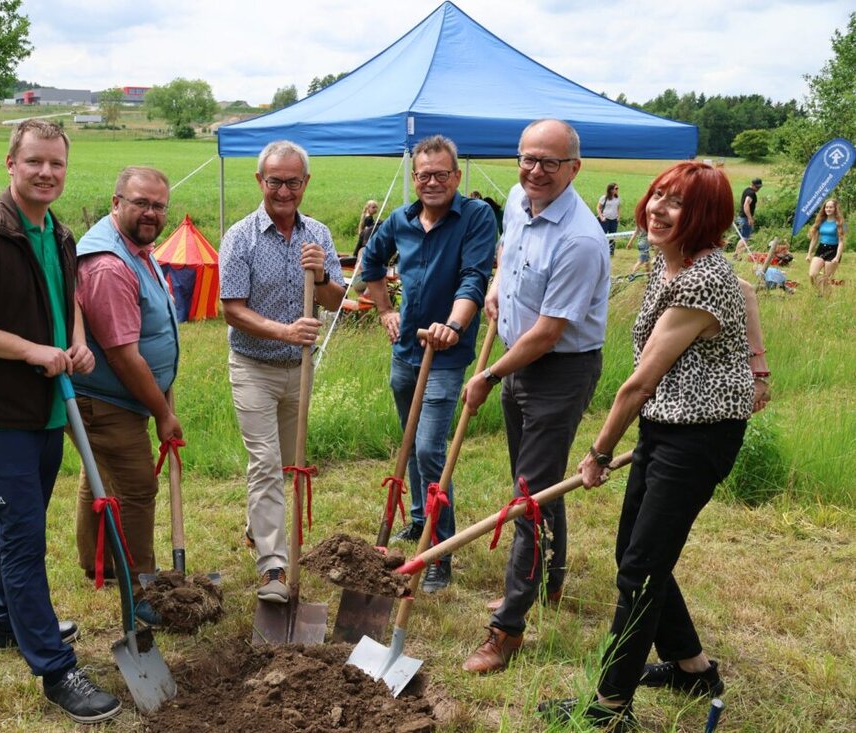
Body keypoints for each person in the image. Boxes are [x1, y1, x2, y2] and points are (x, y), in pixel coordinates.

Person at [539, 161, 766, 730]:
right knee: (638, 557)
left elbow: (638, 383)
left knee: (640, 569)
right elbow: (746, 289)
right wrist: (757, 367)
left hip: (698, 438)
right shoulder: (680, 267)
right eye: (658, 196)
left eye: (679, 203)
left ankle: (609, 708)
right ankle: (692, 669)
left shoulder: (699, 279)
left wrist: (595, 453)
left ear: (707, 217)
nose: (660, 209)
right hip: (667, 428)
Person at [0, 119, 121, 724]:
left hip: (45, 407)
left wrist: (79, 343)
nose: (46, 173)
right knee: (24, 536)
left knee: (19, 518)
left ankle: (5, 620)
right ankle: (55, 667)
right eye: (34, 161)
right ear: (10, 163)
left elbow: (70, 304)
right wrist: (30, 349)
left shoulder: (58, 234)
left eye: (56, 164)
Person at [459, 119, 609, 673]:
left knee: (527, 497)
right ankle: (548, 582)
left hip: (557, 372)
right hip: (516, 361)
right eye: (527, 159)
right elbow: (508, 252)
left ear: (574, 167)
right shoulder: (520, 204)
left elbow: (548, 333)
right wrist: (498, 286)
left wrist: (490, 375)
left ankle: (507, 629)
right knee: (540, 487)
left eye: (549, 162)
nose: (535, 171)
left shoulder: (581, 239)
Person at [361, 134, 496, 593]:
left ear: (457, 177)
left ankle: (438, 549)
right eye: (424, 175)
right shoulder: (398, 220)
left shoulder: (475, 217)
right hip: (406, 352)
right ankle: (419, 519)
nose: (433, 182)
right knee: (410, 442)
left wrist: (453, 327)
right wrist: (383, 310)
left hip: (445, 354)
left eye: (442, 174)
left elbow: (474, 277)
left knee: (428, 450)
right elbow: (370, 264)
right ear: (414, 178)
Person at [220, 140, 346, 603]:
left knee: (288, 464)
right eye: (275, 181)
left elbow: (336, 302)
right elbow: (232, 309)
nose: (284, 190)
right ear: (260, 181)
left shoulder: (319, 235)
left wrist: (323, 276)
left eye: (293, 181)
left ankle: (258, 526)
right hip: (253, 366)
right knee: (266, 463)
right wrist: (282, 331)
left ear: (305, 183)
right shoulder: (241, 237)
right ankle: (273, 567)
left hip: (301, 369)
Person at [69, 166, 179, 626]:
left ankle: (102, 565)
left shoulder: (136, 248)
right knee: (136, 487)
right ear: (117, 203)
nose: (151, 213)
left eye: (158, 205)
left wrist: (164, 398)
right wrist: (162, 413)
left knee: (100, 476)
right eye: (141, 203)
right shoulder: (108, 264)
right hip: (108, 398)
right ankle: (140, 586)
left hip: (120, 398)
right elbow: (122, 355)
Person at [806, 198, 845, 295]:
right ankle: (818, 292)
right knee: (812, 274)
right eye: (826, 207)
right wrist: (809, 254)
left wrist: (837, 257)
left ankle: (826, 297)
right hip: (821, 249)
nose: (828, 209)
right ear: (824, 209)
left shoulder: (840, 223)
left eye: (831, 207)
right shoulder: (821, 222)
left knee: (826, 278)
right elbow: (814, 239)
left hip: (833, 250)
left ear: (835, 209)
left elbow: (841, 242)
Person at [735, 177, 763, 254]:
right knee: (745, 238)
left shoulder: (747, 190)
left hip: (742, 217)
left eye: (759, 187)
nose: (758, 189)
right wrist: (750, 218)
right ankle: (736, 255)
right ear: (752, 185)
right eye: (757, 187)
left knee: (744, 237)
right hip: (745, 218)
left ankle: (737, 254)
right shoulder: (751, 193)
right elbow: (746, 205)